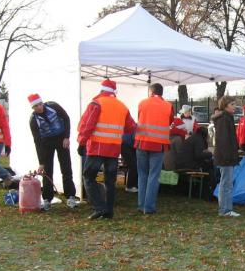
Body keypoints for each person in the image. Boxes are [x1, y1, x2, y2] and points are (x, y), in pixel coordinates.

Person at [77, 79, 136, 220]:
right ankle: (109, 211)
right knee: (110, 181)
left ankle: (99, 208)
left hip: (97, 148)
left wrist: (81, 143)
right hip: (114, 149)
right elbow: (131, 127)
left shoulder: (96, 104)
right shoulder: (122, 106)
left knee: (88, 177)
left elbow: (87, 125)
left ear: (101, 90)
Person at [27, 93, 78, 210]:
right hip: (46, 143)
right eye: (35, 106)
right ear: (32, 108)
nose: (39, 107)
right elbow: (37, 141)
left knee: (66, 168)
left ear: (42, 102)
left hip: (61, 139)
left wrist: (67, 137)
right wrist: (41, 162)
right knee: (47, 171)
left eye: (40, 104)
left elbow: (66, 118)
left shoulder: (53, 106)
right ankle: (47, 199)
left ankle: (70, 196)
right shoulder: (33, 120)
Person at [135, 83, 173, 214]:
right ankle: (149, 207)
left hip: (141, 143)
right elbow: (169, 121)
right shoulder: (168, 106)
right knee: (154, 176)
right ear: (162, 93)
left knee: (142, 175)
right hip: (158, 145)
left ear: (151, 92)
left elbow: (139, 117)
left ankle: (141, 205)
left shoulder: (142, 103)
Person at [212, 96, 240, 216]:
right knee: (226, 184)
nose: (235, 106)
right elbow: (223, 141)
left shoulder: (227, 118)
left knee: (227, 183)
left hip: (226, 156)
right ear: (225, 105)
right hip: (225, 157)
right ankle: (225, 210)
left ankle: (226, 208)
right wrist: (229, 156)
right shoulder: (224, 119)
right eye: (232, 104)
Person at [176, 126, 214, 197]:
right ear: (205, 134)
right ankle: (206, 193)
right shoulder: (199, 140)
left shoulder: (193, 138)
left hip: (181, 163)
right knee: (210, 168)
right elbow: (198, 155)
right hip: (188, 165)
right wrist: (210, 154)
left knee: (207, 165)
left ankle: (203, 191)